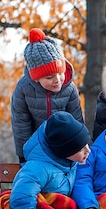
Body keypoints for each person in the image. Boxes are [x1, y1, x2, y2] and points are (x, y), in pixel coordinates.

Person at [11, 28, 83, 164]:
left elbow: (77, 120)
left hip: (64, 148)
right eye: (50, 77)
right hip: (36, 148)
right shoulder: (24, 89)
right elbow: (20, 123)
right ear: (36, 78)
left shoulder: (70, 89)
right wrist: (23, 154)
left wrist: (79, 147)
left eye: (60, 73)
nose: (57, 80)